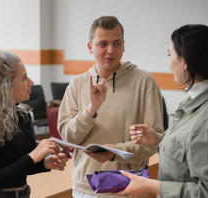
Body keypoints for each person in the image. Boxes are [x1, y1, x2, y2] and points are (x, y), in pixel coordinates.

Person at [57, 16, 164, 198]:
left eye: (116, 43)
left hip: (130, 187)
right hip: (86, 189)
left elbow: (153, 143)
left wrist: (115, 152)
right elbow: (68, 137)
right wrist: (91, 110)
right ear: (90, 47)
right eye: (103, 44)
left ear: (124, 45)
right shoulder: (77, 84)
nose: (110, 50)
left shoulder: (145, 82)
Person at [111, 24, 208, 198]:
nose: (169, 65)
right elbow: (188, 152)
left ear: (185, 61)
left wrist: (152, 186)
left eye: (170, 55)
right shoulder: (192, 102)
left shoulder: (204, 119)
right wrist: (158, 140)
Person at [0, 48, 68, 198]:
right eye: (24, 78)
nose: (31, 82)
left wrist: (44, 163)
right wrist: (34, 156)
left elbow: (16, 166)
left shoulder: (19, 115)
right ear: (5, 86)